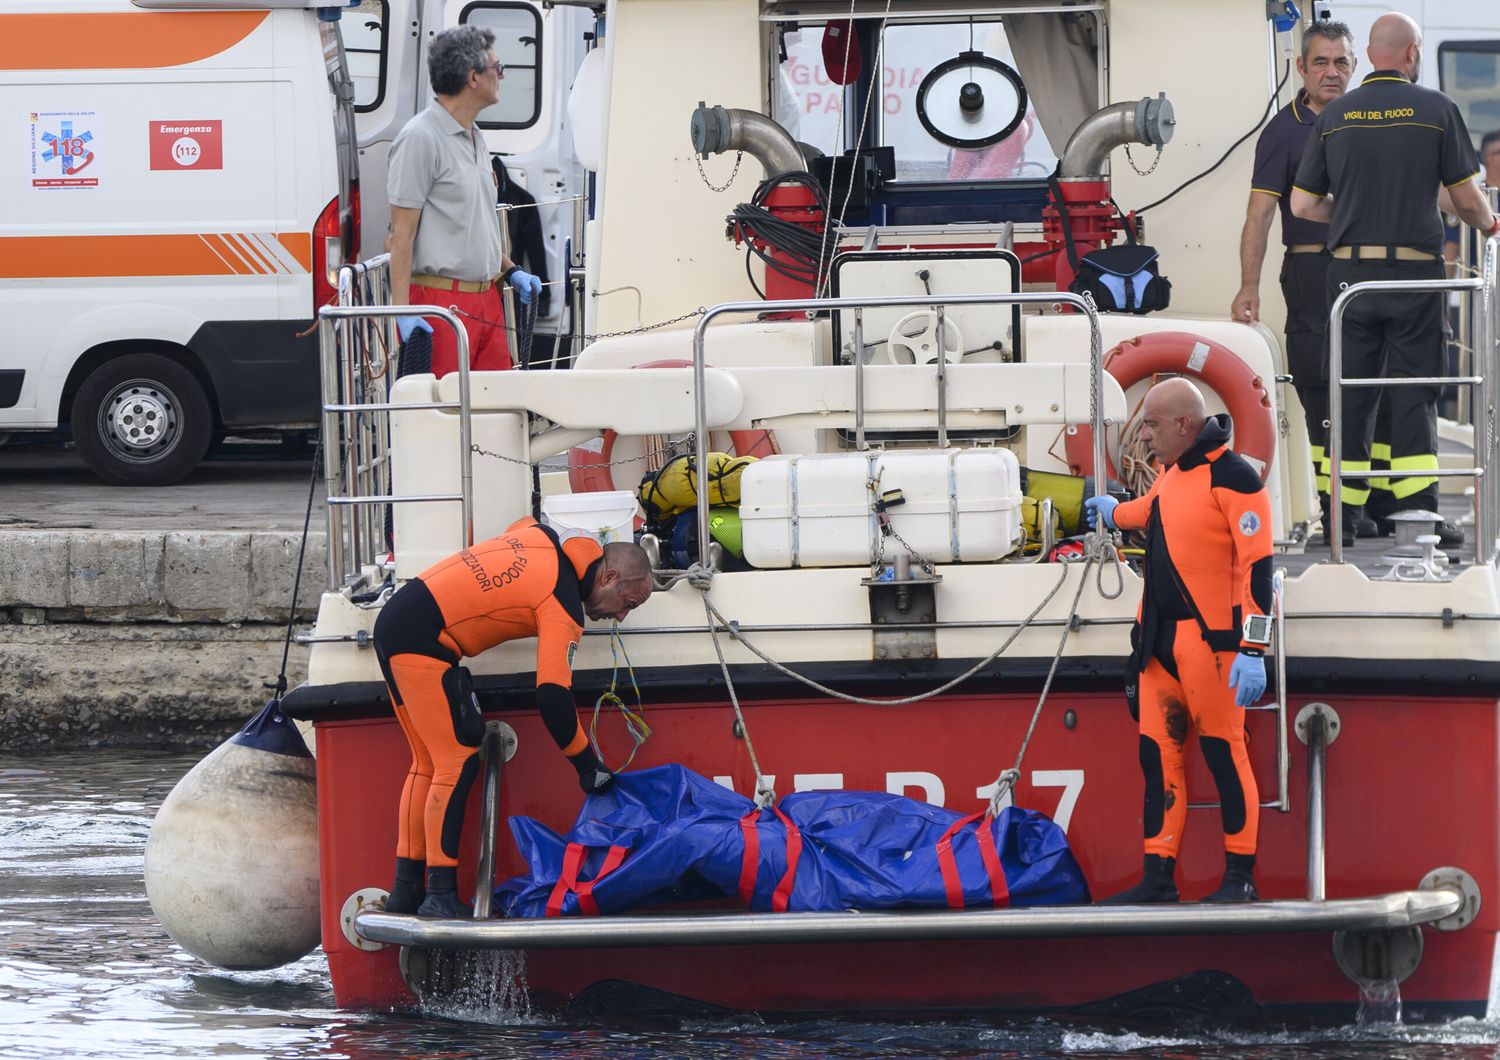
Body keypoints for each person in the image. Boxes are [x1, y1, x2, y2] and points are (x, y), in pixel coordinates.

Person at [373, 517, 654, 917]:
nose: (622, 618)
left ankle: (405, 892)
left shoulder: (538, 535)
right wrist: (587, 766)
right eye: (628, 604)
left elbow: (509, 539)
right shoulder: (562, 604)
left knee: (427, 764)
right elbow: (553, 695)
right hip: (423, 639)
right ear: (608, 576)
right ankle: (439, 896)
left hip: (398, 620)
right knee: (455, 761)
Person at [1291, 13, 1499, 546]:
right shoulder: (1436, 110)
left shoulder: (1333, 116)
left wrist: (1355, 216)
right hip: (1413, 277)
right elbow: (1468, 197)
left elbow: (1302, 203)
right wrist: (1489, 225)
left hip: (1349, 280)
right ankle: (1418, 515)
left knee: (1349, 396)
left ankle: (1342, 519)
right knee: (1412, 393)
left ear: (1370, 55)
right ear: (1411, 55)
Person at [1085, 379, 1272, 904]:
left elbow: (1259, 570)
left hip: (1213, 648)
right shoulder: (1173, 475)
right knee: (1156, 759)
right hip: (1159, 646)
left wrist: (1254, 651)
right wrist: (1110, 512)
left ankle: (1239, 880)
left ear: (1183, 425)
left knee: (1223, 754)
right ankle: (1158, 880)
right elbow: (1151, 513)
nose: (1142, 437)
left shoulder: (1234, 479)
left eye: (1150, 424)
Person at [1231, 21, 1356, 544]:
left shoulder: (1365, 121)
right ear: (1301, 68)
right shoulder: (1282, 133)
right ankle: (1336, 513)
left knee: (1371, 385)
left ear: (1355, 68)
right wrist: (1248, 286)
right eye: (1321, 62)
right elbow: (1259, 216)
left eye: (1342, 62)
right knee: (1319, 386)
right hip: (1308, 272)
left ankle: (1375, 507)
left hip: (1365, 270)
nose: (1332, 72)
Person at [387, 26, 543, 378]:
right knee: (444, 419)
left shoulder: (474, 136)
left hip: (487, 300)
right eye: (498, 68)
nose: (502, 76)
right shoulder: (419, 139)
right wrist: (401, 312)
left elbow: (475, 226)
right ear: (474, 78)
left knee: (499, 414)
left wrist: (512, 270)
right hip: (442, 304)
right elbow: (401, 235)